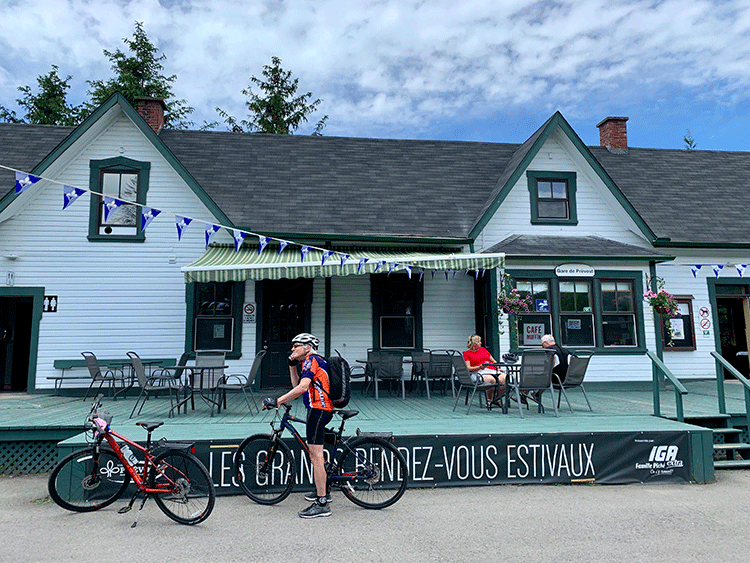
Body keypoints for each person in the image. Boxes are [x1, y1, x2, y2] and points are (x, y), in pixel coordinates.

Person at [262, 333, 333, 519]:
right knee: (316, 454)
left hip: (319, 410)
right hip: (317, 409)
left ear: (308, 347)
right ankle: (323, 488)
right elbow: (297, 385)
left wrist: (277, 401)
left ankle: (323, 503)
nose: (292, 349)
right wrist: (292, 365)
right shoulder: (306, 362)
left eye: (296, 346)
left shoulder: (312, 360)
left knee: (316, 456)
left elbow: (301, 389)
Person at [462, 334, 505, 408]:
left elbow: (494, 361)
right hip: (479, 372)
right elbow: (468, 368)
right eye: (479, 341)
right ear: (474, 343)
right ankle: (489, 400)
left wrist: (497, 368)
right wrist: (479, 367)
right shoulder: (467, 354)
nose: (480, 343)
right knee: (490, 379)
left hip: (493, 370)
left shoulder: (483, 350)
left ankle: (497, 399)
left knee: (505, 378)